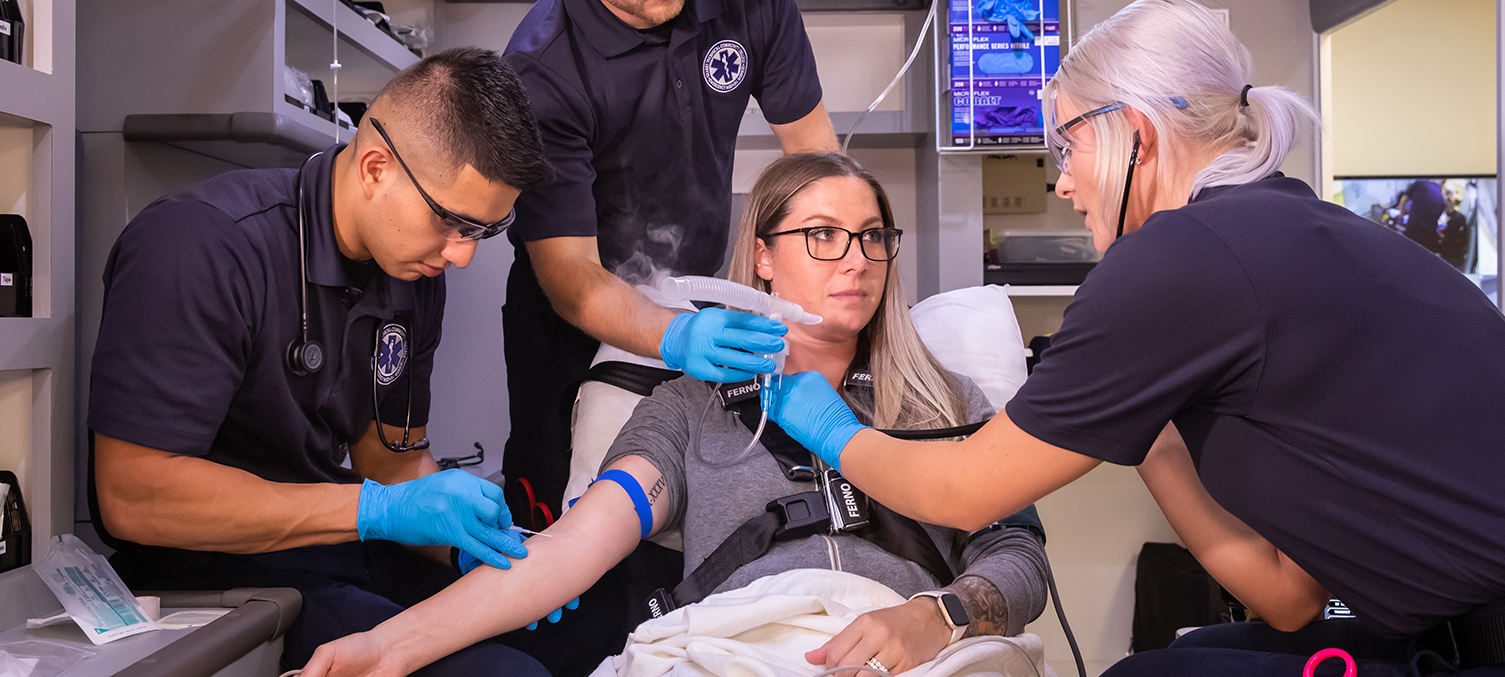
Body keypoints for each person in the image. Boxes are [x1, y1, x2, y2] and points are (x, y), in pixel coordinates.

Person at [767, 0, 1505, 676]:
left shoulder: (1181, 258)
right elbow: (1287, 596)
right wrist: (1147, 431)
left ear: (1132, 133)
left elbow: (964, 493)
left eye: (1065, 149)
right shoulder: (1299, 229)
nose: (1062, 183)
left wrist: (821, 421)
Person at [297, 153, 1050, 677]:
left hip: (920, 649)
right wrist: (389, 648)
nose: (856, 259)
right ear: (762, 257)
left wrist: (939, 616)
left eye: (873, 236)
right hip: (745, 647)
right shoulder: (688, 410)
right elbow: (571, 550)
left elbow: (1019, 557)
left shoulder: (947, 403)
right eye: (822, 235)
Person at [88, 49, 563, 676]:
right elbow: (133, 497)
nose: (462, 256)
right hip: (213, 573)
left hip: (338, 547)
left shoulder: (413, 275)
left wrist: (469, 544)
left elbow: (389, 462)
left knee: (574, 630)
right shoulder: (200, 244)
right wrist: (376, 511)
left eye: (483, 231)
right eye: (451, 222)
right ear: (375, 168)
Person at [499, 0, 838, 531]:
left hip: (700, 292)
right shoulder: (539, 71)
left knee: (711, 508)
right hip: (570, 321)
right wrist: (674, 338)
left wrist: (834, 268)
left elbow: (816, 160)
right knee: (567, 525)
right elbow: (572, 278)